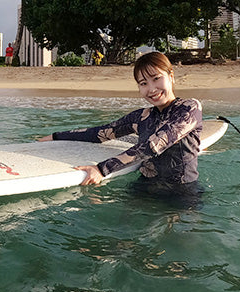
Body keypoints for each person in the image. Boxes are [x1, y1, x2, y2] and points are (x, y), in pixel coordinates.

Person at [38, 51, 203, 196]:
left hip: (182, 193)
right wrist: (56, 136)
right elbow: (100, 133)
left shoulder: (189, 108)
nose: (151, 89)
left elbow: (155, 144)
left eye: (156, 79)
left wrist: (102, 169)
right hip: (143, 188)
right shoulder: (141, 117)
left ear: (171, 76)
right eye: (143, 83)